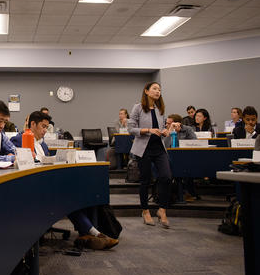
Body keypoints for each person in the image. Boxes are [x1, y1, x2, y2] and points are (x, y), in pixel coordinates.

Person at [11, 111, 119, 250]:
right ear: (32, 124)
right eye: (43, 127)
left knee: (80, 192)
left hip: (47, 184)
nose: (45, 131)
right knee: (67, 197)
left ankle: (88, 233)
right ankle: (93, 233)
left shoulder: (43, 145)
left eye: (47, 128)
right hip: (31, 188)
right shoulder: (18, 139)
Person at [128, 82, 171, 228]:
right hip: (144, 148)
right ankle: (145, 211)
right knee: (145, 180)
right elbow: (131, 129)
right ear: (146, 91)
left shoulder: (160, 109)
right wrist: (148, 130)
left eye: (159, 89)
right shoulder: (138, 107)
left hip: (159, 147)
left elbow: (162, 129)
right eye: (154, 89)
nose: (157, 91)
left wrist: (166, 131)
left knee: (166, 177)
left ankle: (162, 210)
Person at [164, 114, 198, 201]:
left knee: (185, 167)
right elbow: (165, 146)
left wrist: (178, 133)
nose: (167, 125)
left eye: (169, 123)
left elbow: (195, 142)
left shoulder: (187, 129)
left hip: (185, 157)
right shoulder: (165, 130)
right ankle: (173, 193)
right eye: (166, 123)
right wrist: (170, 132)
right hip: (169, 158)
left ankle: (187, 192)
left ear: (178, 123)